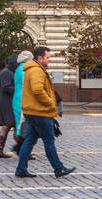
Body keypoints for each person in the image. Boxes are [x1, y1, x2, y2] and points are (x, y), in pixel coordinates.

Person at [15, 46, 74, 179]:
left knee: (30, 140)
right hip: (39, 111)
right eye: (48, 57)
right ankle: (58, 168)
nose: (49, 60)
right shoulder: (36, 70)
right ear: (40, 58)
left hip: (32, 111)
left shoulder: (32, 69)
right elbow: (37, 90)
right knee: (48, 140)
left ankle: (21, 169)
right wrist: (50, 102)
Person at [0, 54, 18, 157]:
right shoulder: (6, 73)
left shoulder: (9, 71)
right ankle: (22, 150)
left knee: (9, 125)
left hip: (8, 101)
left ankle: (0, 150)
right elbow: (6, 88)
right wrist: (19, 89)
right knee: (11, 125)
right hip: (6, 102)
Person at [12, 49, 33, 151]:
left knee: (20, 123)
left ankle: (22, 149)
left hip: (18, 98)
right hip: (22, 99)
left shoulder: (19, 69)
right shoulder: (23, 70)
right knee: (22, 123)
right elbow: (28, 86)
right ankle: (22, 149)